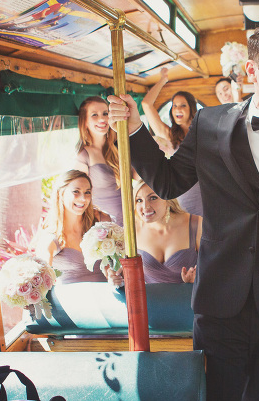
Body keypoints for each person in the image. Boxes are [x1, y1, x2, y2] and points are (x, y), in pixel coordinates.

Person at [108, 23, 259, 401]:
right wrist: (133, 128)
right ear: (252, 71)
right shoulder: (210, 122)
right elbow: (169, 182)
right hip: (220, 296)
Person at [108, 181, 200, 284]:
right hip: (148, 294)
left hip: (190, 294)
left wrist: (196, 280)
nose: (145, 206)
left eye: (153, 198)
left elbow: (212, 269)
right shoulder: (131, 230)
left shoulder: (196, 224)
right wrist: (115, 277)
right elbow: (123, 272)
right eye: (139, 200)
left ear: (168, 200)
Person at [140, 67, 203, 216]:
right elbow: (146, 104)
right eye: (174, 105)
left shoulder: (203, 133)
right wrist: (163, 80)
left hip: (206, 193)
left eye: (182, 105)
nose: (177, 109)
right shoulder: (169, 135)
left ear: (191, 108)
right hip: (183, 197)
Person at [34, 170, 109, 284]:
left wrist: (113, 274)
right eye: (76, 191)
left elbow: (115, 262)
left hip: (107, 292)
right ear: (61, 193)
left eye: (87, 192)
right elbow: (40, 281)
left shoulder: (101, 221)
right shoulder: (50, 237)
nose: (83, 198)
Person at [75, 96, 124, 224]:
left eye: (105, 114)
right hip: (105, 223)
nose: (102, 119)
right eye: (94, 115)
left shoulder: (118, 148)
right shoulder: (83, 155)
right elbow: (79, 196)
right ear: (85, 121)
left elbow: (137, 175)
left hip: (130, 216)